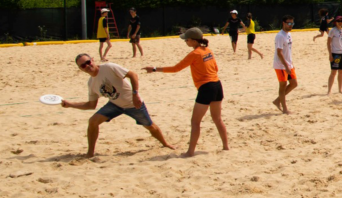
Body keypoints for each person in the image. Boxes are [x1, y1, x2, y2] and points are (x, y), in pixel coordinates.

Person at [62, 54, 172, 157]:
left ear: (93, 60)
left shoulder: (109, 67)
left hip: (133, 104)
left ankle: (165, 143)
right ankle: (90, 153)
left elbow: (132, 75)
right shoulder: (91, 83)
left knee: (150, 126)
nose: (87, 66)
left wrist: (135, 94)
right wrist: (70, 104)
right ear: (80, 69)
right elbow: (91, 105)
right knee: (92, 121)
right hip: (115, 105)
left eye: (88, 62)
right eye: (83, 65)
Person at [145, 28, 228, 157]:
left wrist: (155, 69)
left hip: (206, 87)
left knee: (195, 122)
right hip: (217, 85)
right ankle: (226, 146)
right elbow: (215, 68)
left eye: (187, 40)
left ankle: (190, 152)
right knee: (217, 119)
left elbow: (175, 68)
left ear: (194, 41)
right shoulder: (208, 51)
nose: (185, 42)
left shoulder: (194, 54)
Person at [272, 15, 297, 114]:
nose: (291, 25)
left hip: (288, 64)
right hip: (281, 65)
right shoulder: (280, 36)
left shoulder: (289, 34)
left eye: (292, 23)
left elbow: (288, 51)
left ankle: (277, 100)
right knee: (283, 85)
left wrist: (290, 63)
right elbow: (279, 52)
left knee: (294, 83)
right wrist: (286, 66)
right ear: (283, 23)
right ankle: (285, 109)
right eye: (289, 23)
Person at [327, 15, 342, 94]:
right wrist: (330, 54)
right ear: (335, 22)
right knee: (333, 72)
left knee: (341, 72)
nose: (340, 23)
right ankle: (329, 90)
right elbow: (328, 42)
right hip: (335, 53)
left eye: (341, 21)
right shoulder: (333, 30)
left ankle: (340, 89)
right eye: (338, 21)